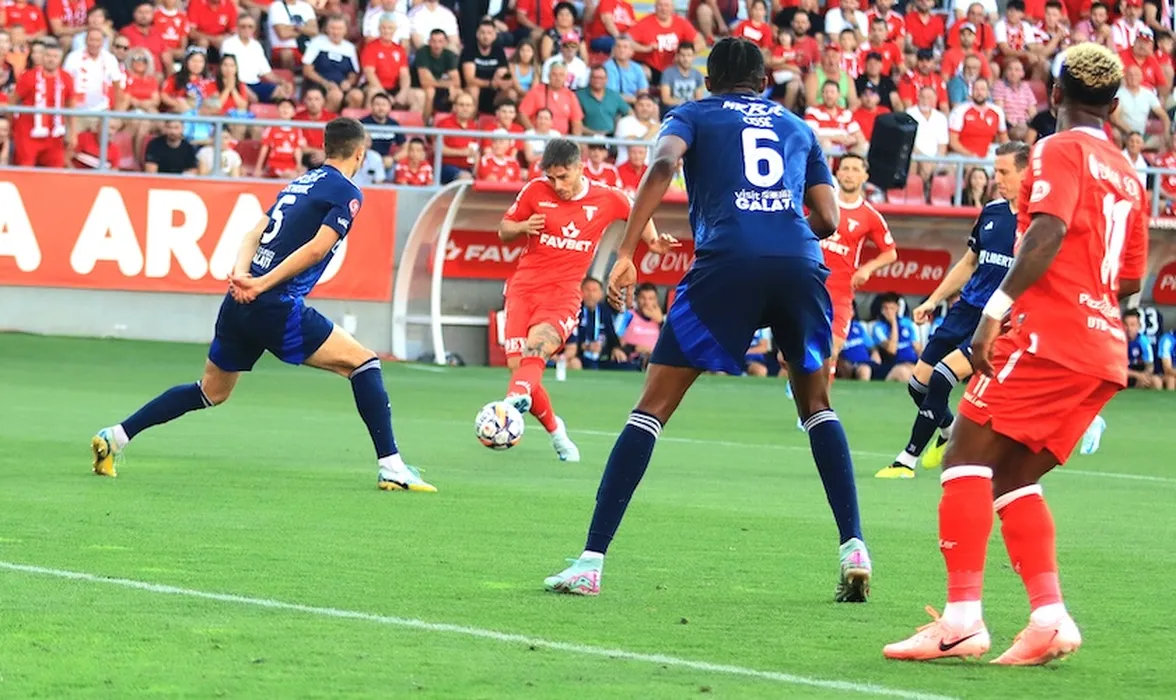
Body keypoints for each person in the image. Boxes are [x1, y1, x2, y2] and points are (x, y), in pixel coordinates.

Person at [542, 38, 871, 603]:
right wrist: (781, 234)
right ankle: (854, 547)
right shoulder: (798, 126)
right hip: (799, 262)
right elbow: (828, 218)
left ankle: (591, 562)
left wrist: (627, 251)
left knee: (651, 407)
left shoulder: (692, 114)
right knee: (817, 405)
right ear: (763, 82)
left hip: (726, 261)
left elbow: (663, 164)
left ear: (709, 81)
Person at [883, 43, 1149, 666]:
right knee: (1013, 478)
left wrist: (994, 312)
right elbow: (1131, 280)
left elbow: (1047, 230)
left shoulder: (1056, 148)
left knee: (962, 457)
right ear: (1114, 107)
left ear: (1054, 95)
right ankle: (1049, 619)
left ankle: (960, 623)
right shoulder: (1130, 175)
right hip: (1103, 348)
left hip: (1046, 337)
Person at [91, 118, 435, 494]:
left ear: (324, 148)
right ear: (360, 153)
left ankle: (116, 436)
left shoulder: (299, 183)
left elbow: (253, 233)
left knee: (210, 391)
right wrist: (261, 284)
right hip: (276, 305)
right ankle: (392, 467)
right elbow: (317, 249)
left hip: (240, 302)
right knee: (364, 364)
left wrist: (243, 276)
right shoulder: (347, 191)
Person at [496, 138, 677, 462]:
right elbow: (504, 229)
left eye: (563, 177)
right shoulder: (535, 191)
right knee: (519, 367)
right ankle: (556, 430)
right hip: (523, 290)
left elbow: (636, 208)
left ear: (579, 168)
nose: (557, 185)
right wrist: (523, 226)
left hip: (563, 294)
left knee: (537, 349)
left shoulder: (606, 197)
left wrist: (652, 241)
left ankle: (510, 405)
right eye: (551, 178)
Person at [876, 141, 1025, 480]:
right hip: (965, 309)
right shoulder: (992, 211)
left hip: (996, 319)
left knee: (943, 377)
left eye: (1004, 172)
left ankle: (906, 460)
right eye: (996, 171)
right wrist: (933, 299)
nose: (997, 178)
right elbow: (969, 263)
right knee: (918, 386)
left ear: (1026, 173)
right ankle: (948, 432)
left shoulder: (1036, 225)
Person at [820, 154, 896, 372]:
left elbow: (890, 253)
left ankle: (820, 394)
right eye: (845, 168)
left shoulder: (870, 216)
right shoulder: (820, 203)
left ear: (865, 176)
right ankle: (801, 386)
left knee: (831, 351)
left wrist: (867, 269)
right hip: (810, 286)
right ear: (837, 173)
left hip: (840, 293)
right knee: (792, 354)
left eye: (855, 169)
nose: (849, 174)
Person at [1124, 309, 1161, 388]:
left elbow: (1150, 365)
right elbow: (1116, 369)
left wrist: (1144, 376)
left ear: (1139, 326)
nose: (1129, 328)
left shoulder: (1143, 341)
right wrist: (1137, 375)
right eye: (1126, 325)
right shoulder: (1118, 341)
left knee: (1156, 381)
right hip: (1122, 376)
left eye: (1133, 325)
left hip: (1139, 376)